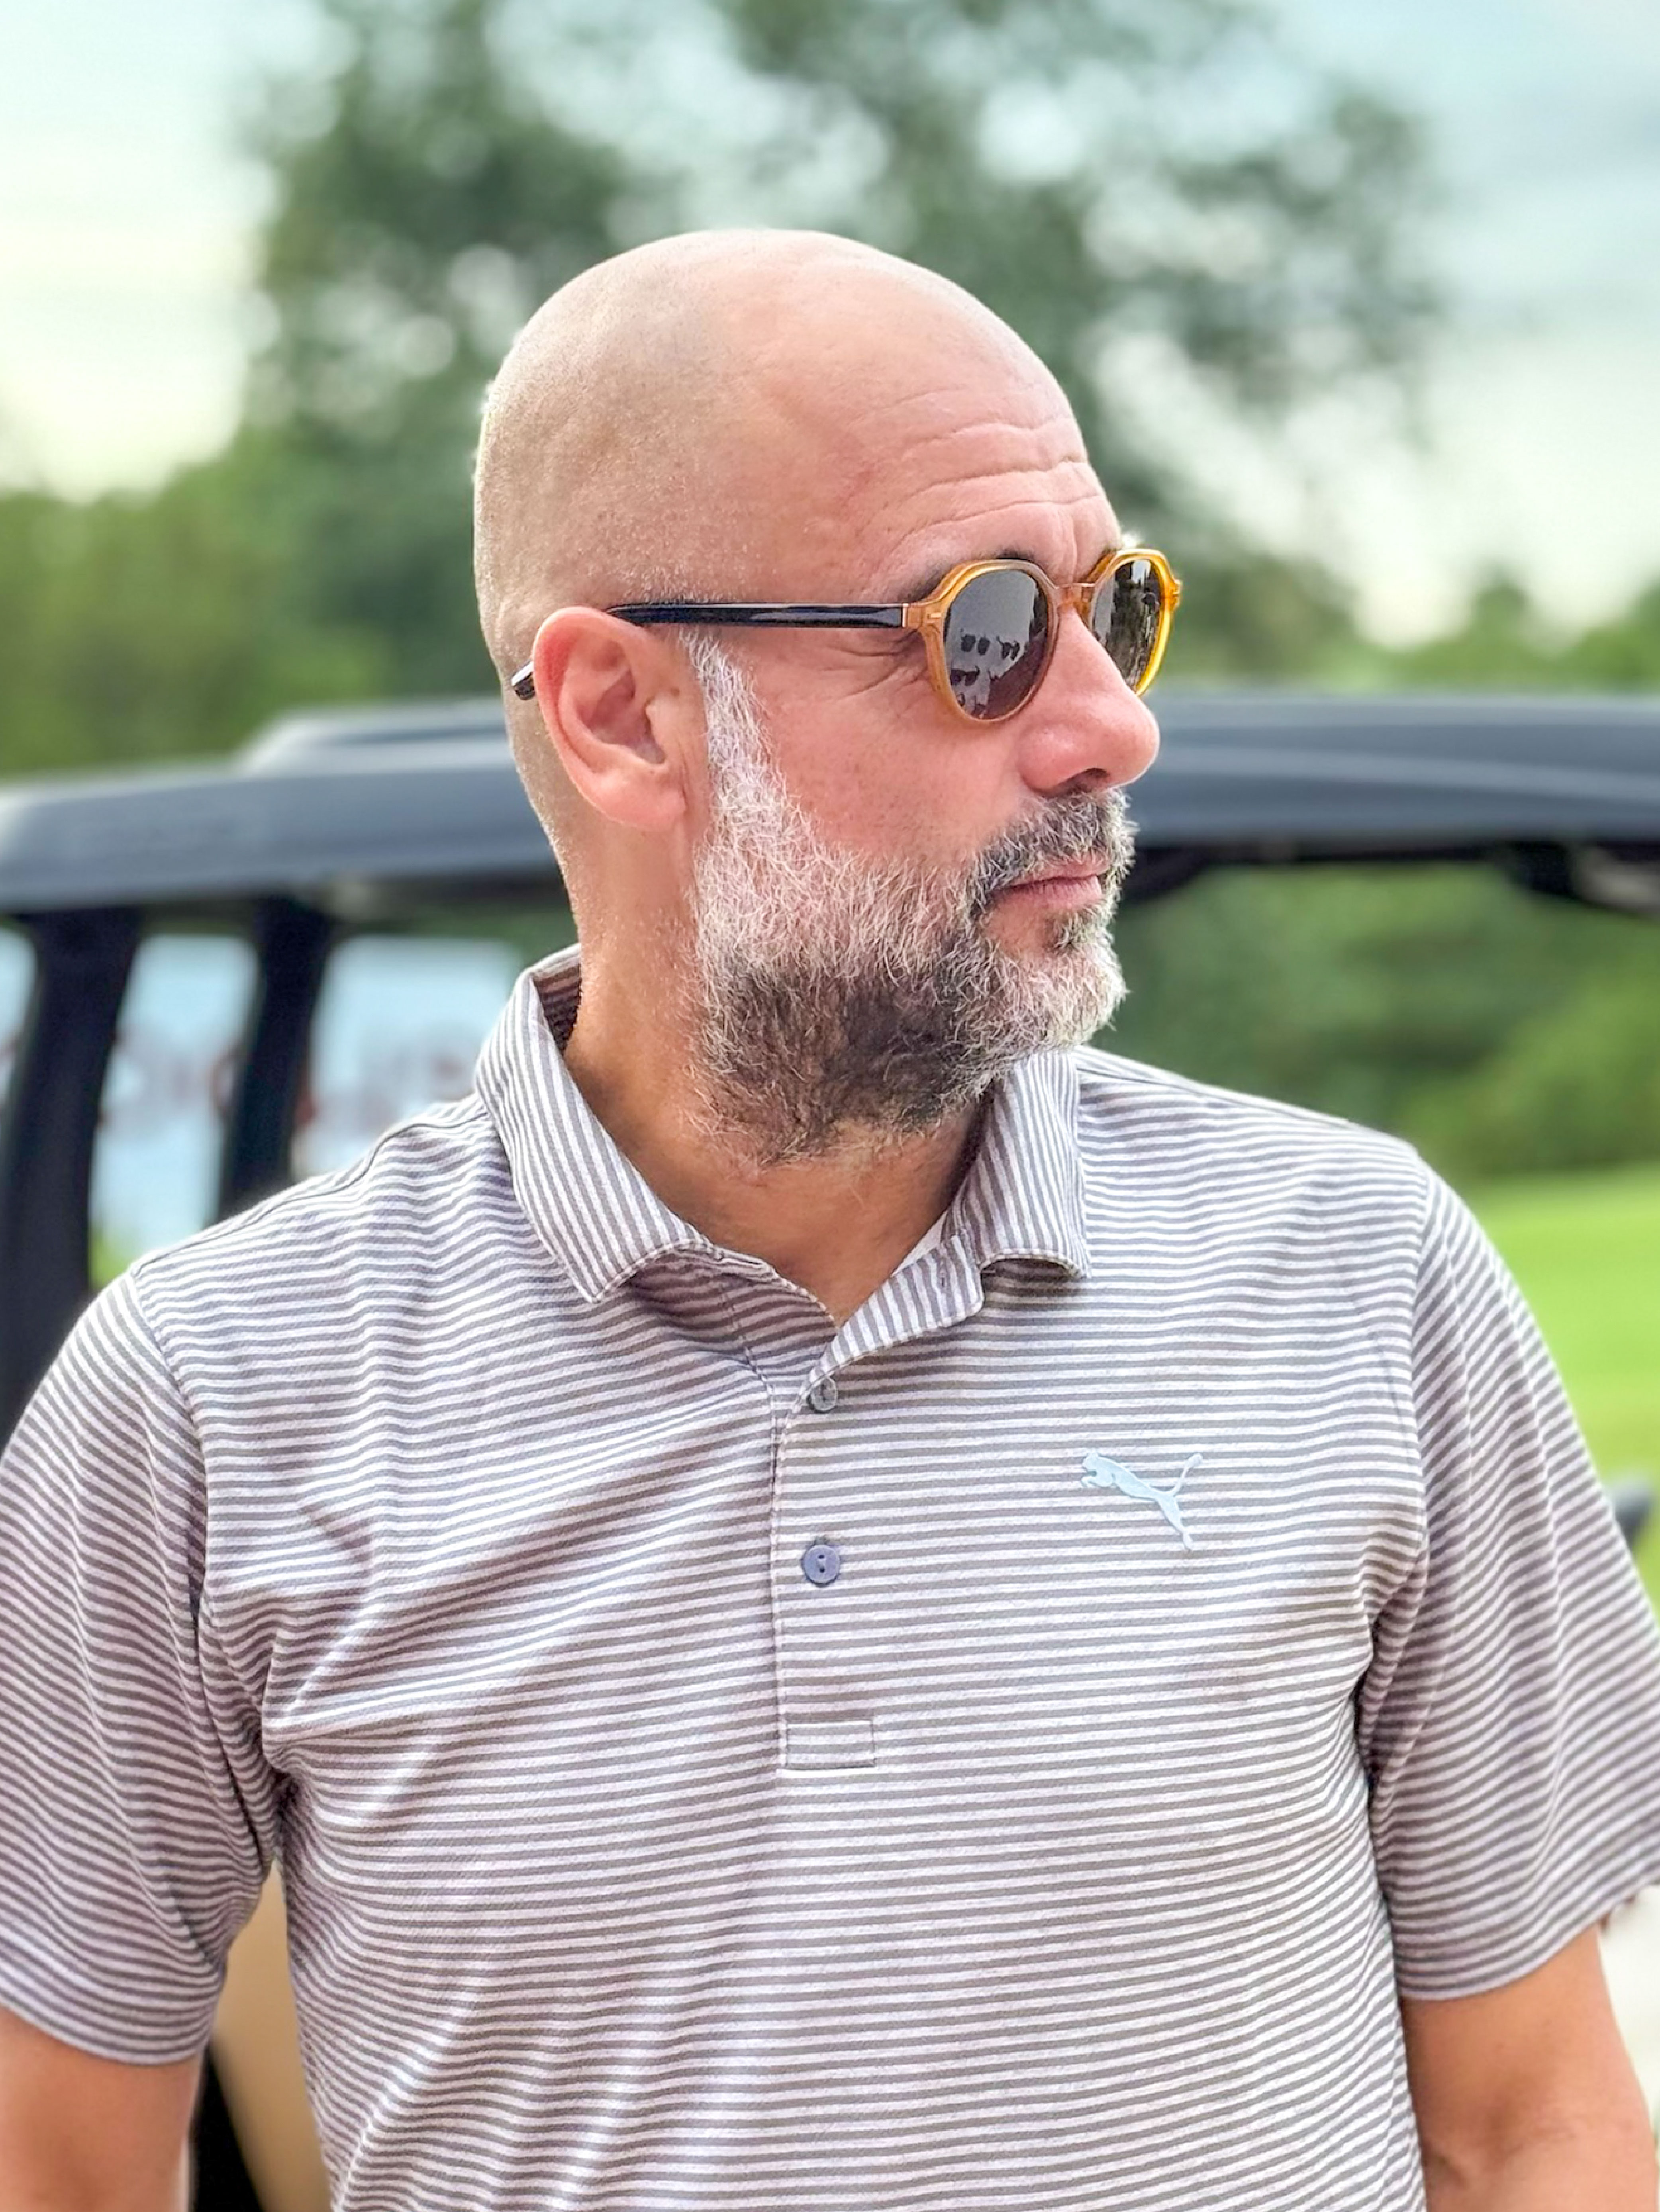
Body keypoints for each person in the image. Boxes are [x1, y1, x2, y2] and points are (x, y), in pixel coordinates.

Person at [3, 228, 1660, 2212]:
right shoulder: (202, 1401)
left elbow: (1533, 2126)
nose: (1111, 725)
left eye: (1116, 611)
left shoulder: (1361, 1272)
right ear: (622, 715)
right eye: (984, 631)